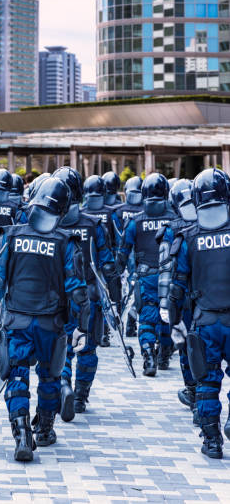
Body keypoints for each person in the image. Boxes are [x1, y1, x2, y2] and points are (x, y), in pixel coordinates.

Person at [0, 177, 88, 462]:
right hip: (50, 325)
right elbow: (77, 292)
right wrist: (81, 327)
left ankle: (21, 434)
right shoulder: (67, 242)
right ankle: (45, 429)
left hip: (16, 321)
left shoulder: (10, 236)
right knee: (50, 375)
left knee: (16, 375)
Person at [169, 168, 230, 459]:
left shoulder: (188, 236)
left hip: (205, 320)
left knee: (206, 382)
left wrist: (174, 321)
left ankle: (212, 441)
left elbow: (176, 286)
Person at [53, 167, 120, 418]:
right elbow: (109, 266)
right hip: (90, 297)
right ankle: (80, 397)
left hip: (57, 297)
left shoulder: (48, 225)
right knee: (88, 349)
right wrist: (115, 300)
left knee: (63, 348)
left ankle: (64, 384)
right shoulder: (94, 225)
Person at [117, 173, 177, 376]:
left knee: (147, 318)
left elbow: (123, 252)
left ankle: (149, 355)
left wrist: (116, 274)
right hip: (170, 277)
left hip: (145, 277)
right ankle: (165, 353)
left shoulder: (135, 221)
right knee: (168, 316)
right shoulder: (174, 219)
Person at [157, 178, 199, 425]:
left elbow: (166, 270)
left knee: (187, 346)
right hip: (213, 300)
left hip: (182, 299)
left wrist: (165, 305)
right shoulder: (219, 224)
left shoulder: (171, 229)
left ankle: (195, 394)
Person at [82, 175, 120, 347]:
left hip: (82, 265)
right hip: (101, 260)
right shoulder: (110, 212)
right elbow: (117, 237)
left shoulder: (81, 213)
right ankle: (102, 332)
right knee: (103, 299)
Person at [113, 176, 144, 337]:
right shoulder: (146, 210)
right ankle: (131, 324)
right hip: (140, 254)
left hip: (121, 252)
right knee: (136, 290)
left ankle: (121, 323)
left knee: (121, 290)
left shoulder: (118, 210)